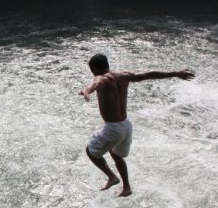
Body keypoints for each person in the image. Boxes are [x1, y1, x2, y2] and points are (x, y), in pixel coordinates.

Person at [79, 54, 195, 197]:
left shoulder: (101, 78)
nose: (92, 72)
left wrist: (86, 91)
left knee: (90, 152)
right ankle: (126, 187)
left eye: (91, 69)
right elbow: (147, 75)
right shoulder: (123, 76)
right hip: (126, 126)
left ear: (94, 68)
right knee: (114, 153)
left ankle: (112, 177)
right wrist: (176, 73)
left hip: (113, 128)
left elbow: (95, 84)